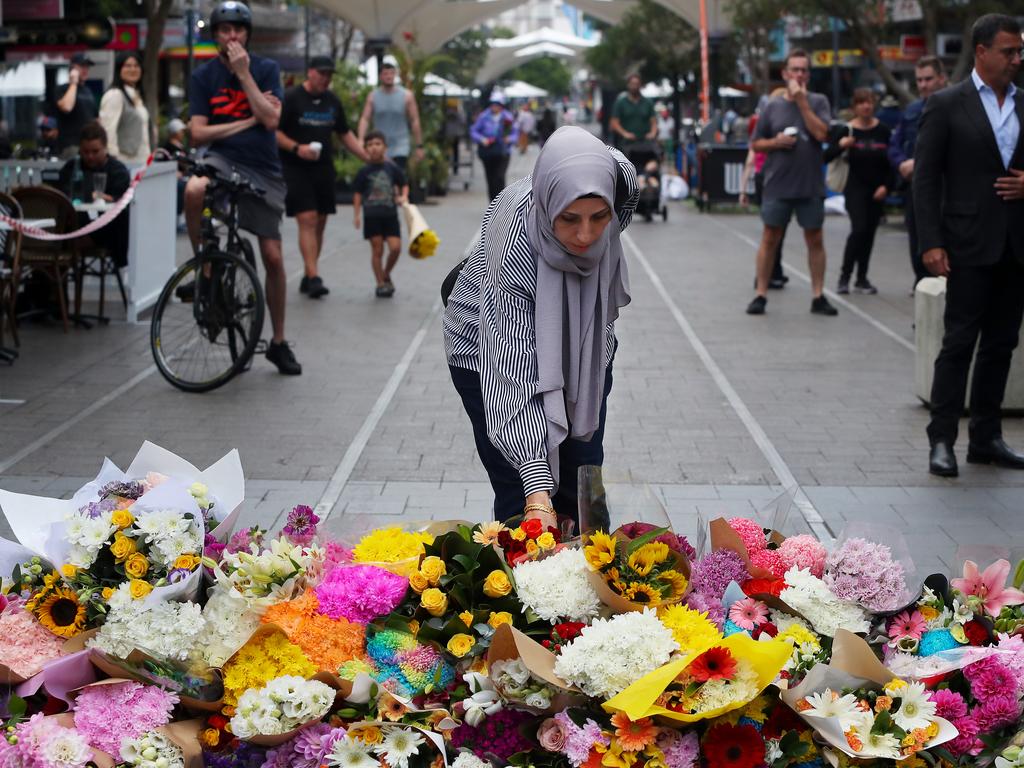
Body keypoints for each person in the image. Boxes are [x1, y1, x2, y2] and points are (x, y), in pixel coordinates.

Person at [443, 125, 639, 523]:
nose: (585, 235)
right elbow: (511, 368)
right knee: (523, 500)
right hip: (486, 348)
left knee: (583, 487)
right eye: (569, 219)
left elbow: (621, 173)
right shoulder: (516, 239)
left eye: (599, 218)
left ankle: (590, 578)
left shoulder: (616, 187)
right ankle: (525, 580)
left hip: (584, 350)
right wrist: (536, 491)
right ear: (549, 207)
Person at [915, 13, 1024, 478]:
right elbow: (924, 178)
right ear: (981, 52)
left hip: (1016, 244)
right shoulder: (946, 103)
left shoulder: (1023, 102)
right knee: (958, 343)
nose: (1016, 59)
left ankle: (986, 437)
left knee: (1002, 344)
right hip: (964, 244)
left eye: (1020, 52)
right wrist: (930, 242)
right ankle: (942, 440)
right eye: (1008, 51)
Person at [185, 0, 301, 376]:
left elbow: (271, 121)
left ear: (247, 34)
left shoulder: (266, 69)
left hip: (262, 168)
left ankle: (279, 342)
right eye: (224, 30)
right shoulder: (203, 76)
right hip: (220, 159)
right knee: (193, 190)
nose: (232, 36)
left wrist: (244, 75)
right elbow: (198, 132)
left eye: (238, 30)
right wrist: (247, 119)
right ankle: (204, 268)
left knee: (273, 256)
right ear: (216, 35)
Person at [746, 49, 837, 317]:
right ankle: (761, 293)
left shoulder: (818, 101)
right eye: (794, 70)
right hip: (778, 183)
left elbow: (823, 134)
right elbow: (756, 142)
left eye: (803, 70)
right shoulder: (772, 106)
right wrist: (775, 142)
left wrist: (802, 103)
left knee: (815, 238)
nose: (799, 74)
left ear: (808, 74)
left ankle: (818, 295)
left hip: (810, 184)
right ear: (785, 74)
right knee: (770, 237)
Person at [276, 55, 368, 300]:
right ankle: (315, 276)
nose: (326, 79)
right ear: (311, 73)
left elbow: (344, 133)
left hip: (323, 169)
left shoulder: (332, 101)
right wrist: (297, 148)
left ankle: (309, 273)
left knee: (320, 222)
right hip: (296, 168)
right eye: (322, 74)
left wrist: (366, 156)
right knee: (306, 218)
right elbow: (275, 133)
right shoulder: (292, 97)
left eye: (329, 75)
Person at [824, 88, 893, 295]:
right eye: (861, 102)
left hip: (877, 188)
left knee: (870, 233)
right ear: (854, 107)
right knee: (859, 229)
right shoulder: (846, 130)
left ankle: (862, 277)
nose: (866, 106)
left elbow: (891, 161)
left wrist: (887, 186)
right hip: (855, 188)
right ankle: (844, 276)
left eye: (869, 102)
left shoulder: (883, 131)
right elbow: (826, 157)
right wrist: (840, 146)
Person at [889, 55, 948, 290]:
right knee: (919, 244)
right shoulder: (913, 110)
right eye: (919, 80)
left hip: (947, 189)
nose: (923, 85)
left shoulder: (957, 107)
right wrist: (902, 163)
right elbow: (894, 143)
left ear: (942, 79)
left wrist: (919, 163)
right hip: (916, 189)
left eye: (928, 79)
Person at [57, 121, 131, 268]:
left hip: (106, 231)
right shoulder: (71, 168)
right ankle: (52, 284)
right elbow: (60, 195)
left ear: (105, 148)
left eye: (95, 151)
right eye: (85, 152)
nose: (90, 156)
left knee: (59, 245)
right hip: (74, 224)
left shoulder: (118, 171)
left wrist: (106, 198)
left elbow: (121, 202)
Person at [740, 92, 789, 290]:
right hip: (767, 181)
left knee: (776, 231)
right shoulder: (766, 131)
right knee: (772, 231)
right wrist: (743, 190)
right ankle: (767, 274)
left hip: (777, 181)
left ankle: (774, 271)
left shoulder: (781, 131)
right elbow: (751, 158)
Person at [353, 131, 408, 298]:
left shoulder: (392, 168)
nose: (374, 148)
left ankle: (385, 272)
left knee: (396, 248)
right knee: (377, 250)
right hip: (371, 215)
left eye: (377, 144)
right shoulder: (364, 171)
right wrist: (356, 214)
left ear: (385, 147)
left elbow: (403, 183)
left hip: (390, 215)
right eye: (370, 145)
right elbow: (357, 193)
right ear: (366, 149)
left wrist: (403, 196)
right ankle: (380, 283)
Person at [356, 59, 424, 172]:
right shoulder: (373, 96)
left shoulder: (407, 96)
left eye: (392, 73)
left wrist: (419, 146)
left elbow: (415, 120)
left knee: (398, 175)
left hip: (400, 145)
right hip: (379, 145)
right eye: (385, 73)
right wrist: (360, 139)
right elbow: (365, 119)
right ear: (380, 76)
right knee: (381, 178)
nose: (389, 76)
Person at [98, 52, 154, 166]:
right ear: (119, 69)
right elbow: (108, 132)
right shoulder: (115, 94)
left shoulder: (137, 95)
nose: (133, 69)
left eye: (136, 65)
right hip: (124, 163)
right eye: (127, 66)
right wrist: (114, 163)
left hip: (142, 162)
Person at [470, 94, 518, 202]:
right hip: (488, 152)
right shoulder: (483, 116)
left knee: (499, 177)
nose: (494, 107)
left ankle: (500, 203)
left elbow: (515, 134)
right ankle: (492, 203)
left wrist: (509, 139)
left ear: (501, 106)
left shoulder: (508, 117)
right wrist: (482, 139)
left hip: (503, 152)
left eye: (497, 105)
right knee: (490, 178)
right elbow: (473, 131)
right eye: (493, 104)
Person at [54, 53, 98, 157]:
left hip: (89, 145)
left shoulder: (88, 91)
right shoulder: (62, 89)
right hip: (71, 146)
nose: (85, 70)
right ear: (72, 68)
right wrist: (73, 82)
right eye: (82, 66)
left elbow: (96, 119)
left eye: (87, 67)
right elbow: (66, 107)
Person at [609, 73, 657, 164]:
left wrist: (652, 133)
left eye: (637, 84)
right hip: (627, 145)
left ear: (640, 85)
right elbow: (614, 123)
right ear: (628, 85)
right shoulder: (621, 103)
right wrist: (625, 133)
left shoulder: (648, 102)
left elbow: (654, 122)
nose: (635, 86)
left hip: (645, 145)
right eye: (632, 84)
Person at [443, 101, 466, 174]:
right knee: (448, 152)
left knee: (455, 152)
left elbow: (463, 121)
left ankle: (455, 169)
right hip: (448, 135)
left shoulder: (459, 113)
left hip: (455, 135)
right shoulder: (446, 113)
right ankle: (447, 168)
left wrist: (457, 113)